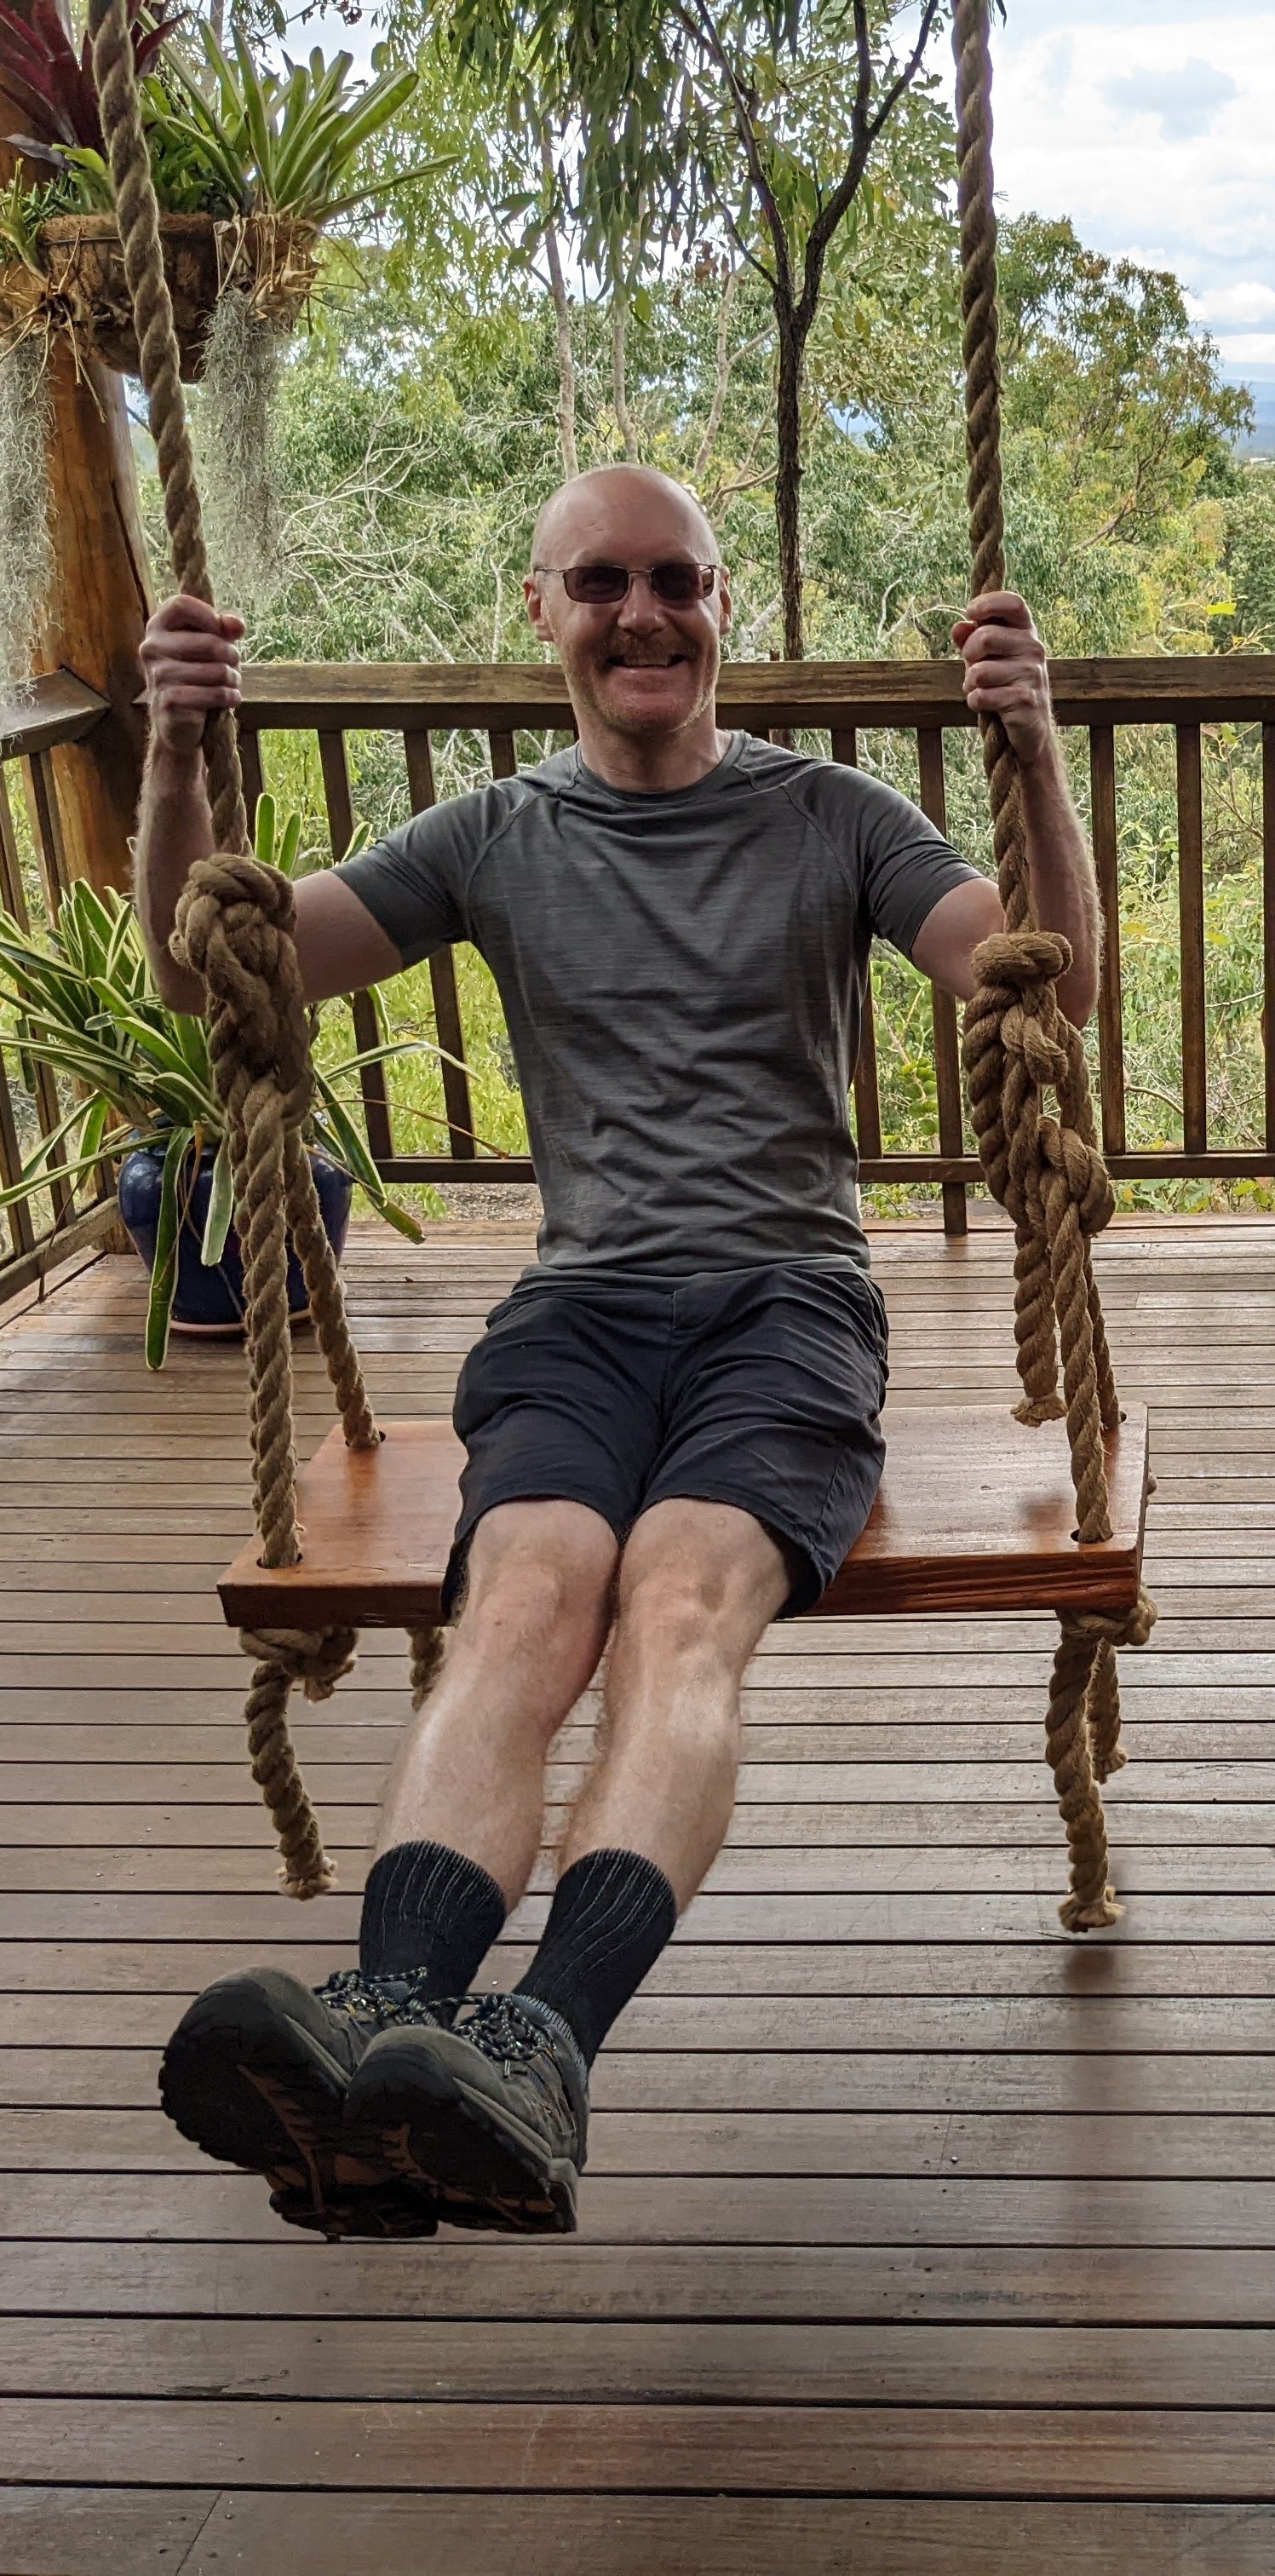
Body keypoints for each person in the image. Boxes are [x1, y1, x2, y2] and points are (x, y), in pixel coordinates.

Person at [141, 464, 1100, 2233]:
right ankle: (389, 2037)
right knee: (521, 1600)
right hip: (577, 1312)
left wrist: (1034, 756)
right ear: (544, 611)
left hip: (786, 1307)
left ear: (722, 605)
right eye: (602, 582)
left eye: (676, 580)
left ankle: (544, 2052)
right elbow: (227, 983)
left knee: (674, 1604)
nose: (640, 613)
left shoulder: (836, 818)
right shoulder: (496, 837)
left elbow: (1041, 978)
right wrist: (176, 758)